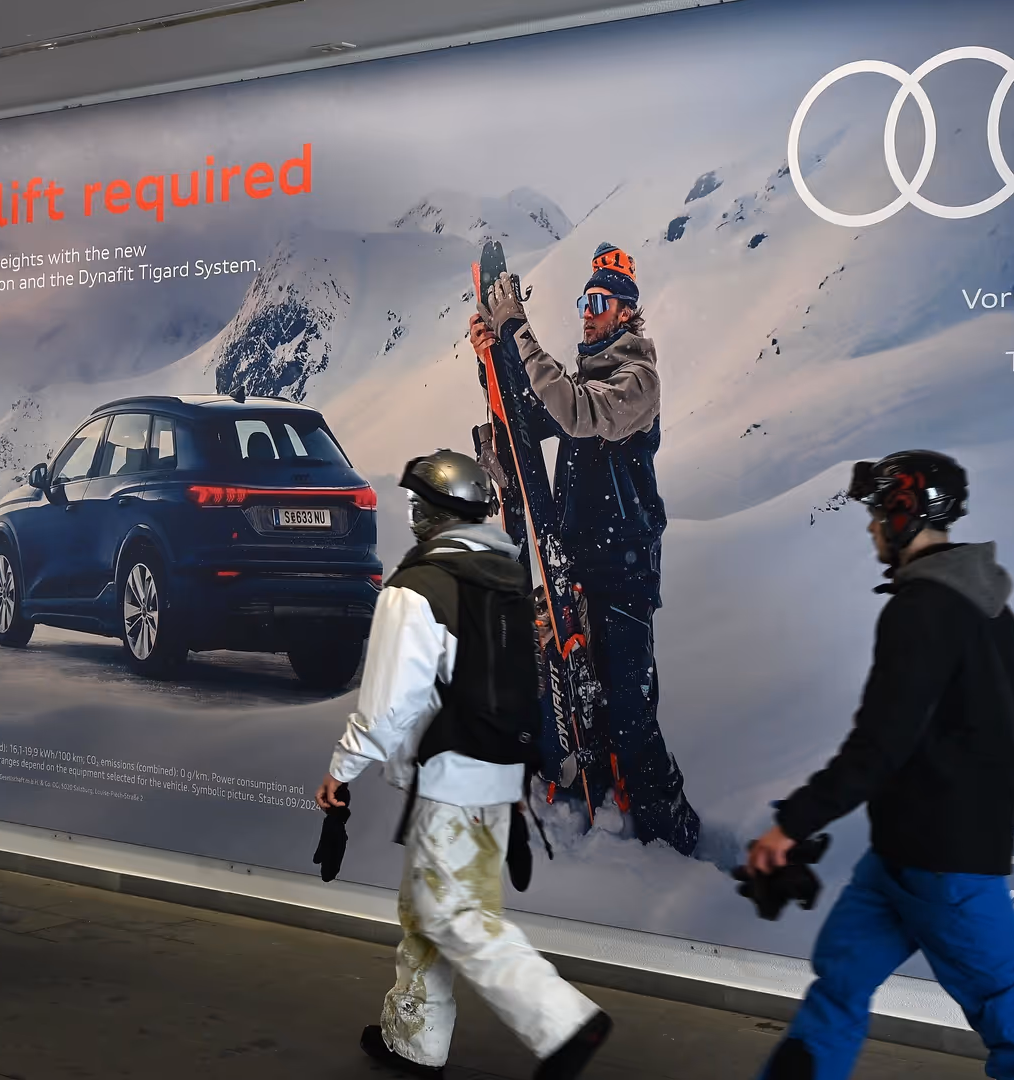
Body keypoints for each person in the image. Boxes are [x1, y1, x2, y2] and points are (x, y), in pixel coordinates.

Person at [744, 451, 1014, 1080]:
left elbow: (879, 745)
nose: (870, 526)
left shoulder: (920, 609)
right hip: (899, 859)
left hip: (947, 864)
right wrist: (947, 748)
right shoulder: (981, 596)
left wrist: (791, 826)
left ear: (907, 512)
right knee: (839, 984)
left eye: (875, 513)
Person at [315, 450, 612, 1080]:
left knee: (453, 915)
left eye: (418, 505)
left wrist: (341, 771)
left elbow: (388, 707)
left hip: (451, 776)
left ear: (429, 513)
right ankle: (413, 1038)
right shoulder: (503, 576)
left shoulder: (417, 588)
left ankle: (563, 1021)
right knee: (430, 906)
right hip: (496, 775)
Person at [469, 243, 720, 864]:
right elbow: (532, 415)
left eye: (599, 302)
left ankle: (674, 837)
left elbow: (579, 416)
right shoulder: (582, 377)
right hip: (576, 563)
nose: (587, 312)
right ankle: (597, 801)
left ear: (627, 314)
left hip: (625, 569)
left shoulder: (638, 381)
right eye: (583, 301)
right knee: (580, 694)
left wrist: (519, 334)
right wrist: (494, 361)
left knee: (632, 713)